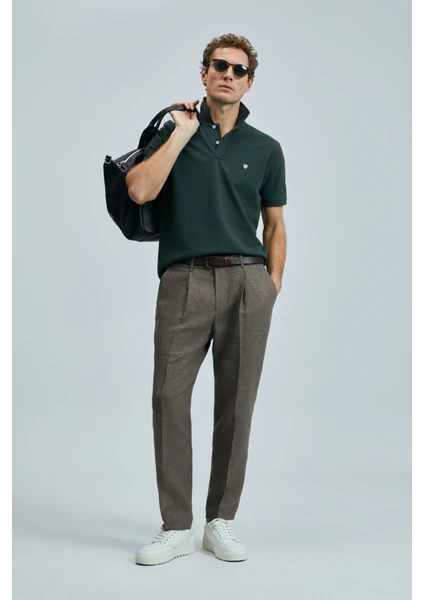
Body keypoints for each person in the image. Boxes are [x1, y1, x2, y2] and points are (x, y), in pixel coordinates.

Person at [125, 33, 287, 565]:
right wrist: (180, 133)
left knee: (237, 402)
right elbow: (139, 190)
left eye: (239, 70)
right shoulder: (174, 132)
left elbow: (275, 225)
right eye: (219, 66)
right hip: (184, 279)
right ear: (203, 73)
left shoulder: (266, 148)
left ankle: (221, 522)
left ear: (249, 82)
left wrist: (271, 285)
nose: (228, 75)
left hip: (247, 281)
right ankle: (176, 526)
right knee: (167, 398)